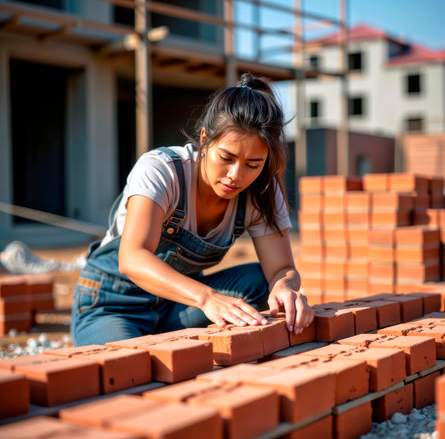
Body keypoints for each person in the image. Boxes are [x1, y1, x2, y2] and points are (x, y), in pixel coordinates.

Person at [71, 73, 315, 346]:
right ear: (204, 139)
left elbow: (282, 268)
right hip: (114, 303)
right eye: (227, 158)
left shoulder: (262, 191)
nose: (236, 175)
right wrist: (206, 298)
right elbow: (132, 258)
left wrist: (284, 286)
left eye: (253, 164)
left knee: (260, 281)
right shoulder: (162, 170)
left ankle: (171, 339)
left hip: (177, 308)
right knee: (129, 369)